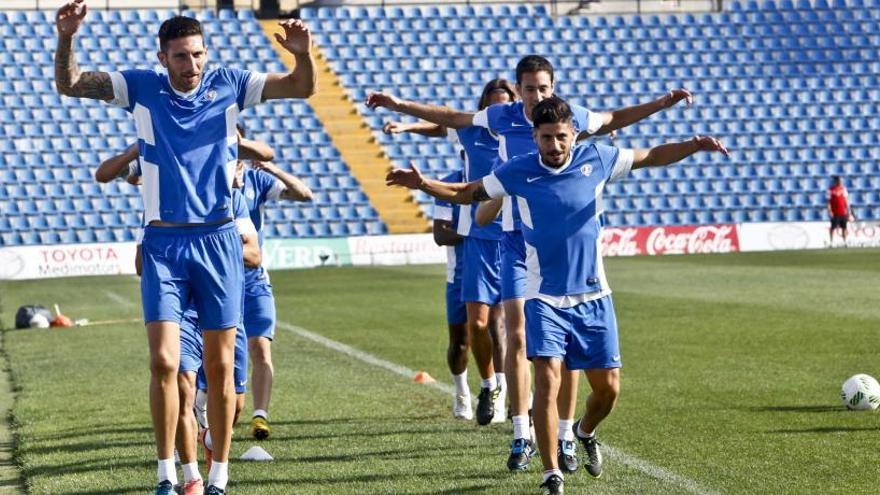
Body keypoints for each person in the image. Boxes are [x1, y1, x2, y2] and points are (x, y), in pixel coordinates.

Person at [386, 96, 728, 494]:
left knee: (608, 390)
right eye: (546, 137)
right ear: (535, 137)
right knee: (547, 381)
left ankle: (583, 432)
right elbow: (469, 193)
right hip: (543, 297)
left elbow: (650, 155)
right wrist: (423, 184)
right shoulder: (517, 171)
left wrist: (693, 145)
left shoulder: (597, 159)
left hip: (594, 295)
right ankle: (552, 474)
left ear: (573, 135)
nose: (554, 145)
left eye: (561, 137)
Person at [55, 2, 315, 492]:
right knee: (164, 363)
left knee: (219, 368)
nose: (190, 65)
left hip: (220, 240)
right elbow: (69, 84)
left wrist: (302, 55)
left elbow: (302, 88)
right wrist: (67, 37)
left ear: (205, 53)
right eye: (180, 57)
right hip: (164, 243)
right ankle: (170, 474)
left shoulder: (231, 83)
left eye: (197, 55)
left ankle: (217, 475)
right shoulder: (140, 87)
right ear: (162, 56)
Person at [383, 79, 518, 425]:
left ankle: (506, 395)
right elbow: (440, 123)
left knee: (506, 326)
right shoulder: (469, 133)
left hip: (515, 235)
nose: (498, 112)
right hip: (478, 238)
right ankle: (487, 385)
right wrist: (404, 121)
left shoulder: (524, 132)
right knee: (476, 327)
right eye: (492, 107)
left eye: (505, 105)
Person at [231, 124, 314, 440]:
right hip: (222, 282)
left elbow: (305, 195)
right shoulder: (210, 180)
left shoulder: (257, 180)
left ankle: (260, 416)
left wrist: (272, 167)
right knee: (221, 352)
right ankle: (213, 410)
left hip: (254, 281)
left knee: (260, 349)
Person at [431, 170, 470, 419]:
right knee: (461, 342)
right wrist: (476, 233)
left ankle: (504, 396)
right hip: (459, 275)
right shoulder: (449, 186)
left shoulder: (501, 179)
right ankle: (462, 393)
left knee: (506, 337)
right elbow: (440, 234)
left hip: (501, 272)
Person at [827, 176, 853, 247]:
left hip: (843, 212)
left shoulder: (843, 189)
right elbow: (828, 202)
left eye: (841, 181)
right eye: (839, 181)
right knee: (832, 228)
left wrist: (849, 211)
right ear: (836, 181)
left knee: (844, 228)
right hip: (835, 213)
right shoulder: (830, 190)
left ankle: (845, 242)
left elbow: (846, 201)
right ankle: (831, 242)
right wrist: (830, 211)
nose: (840, 182)